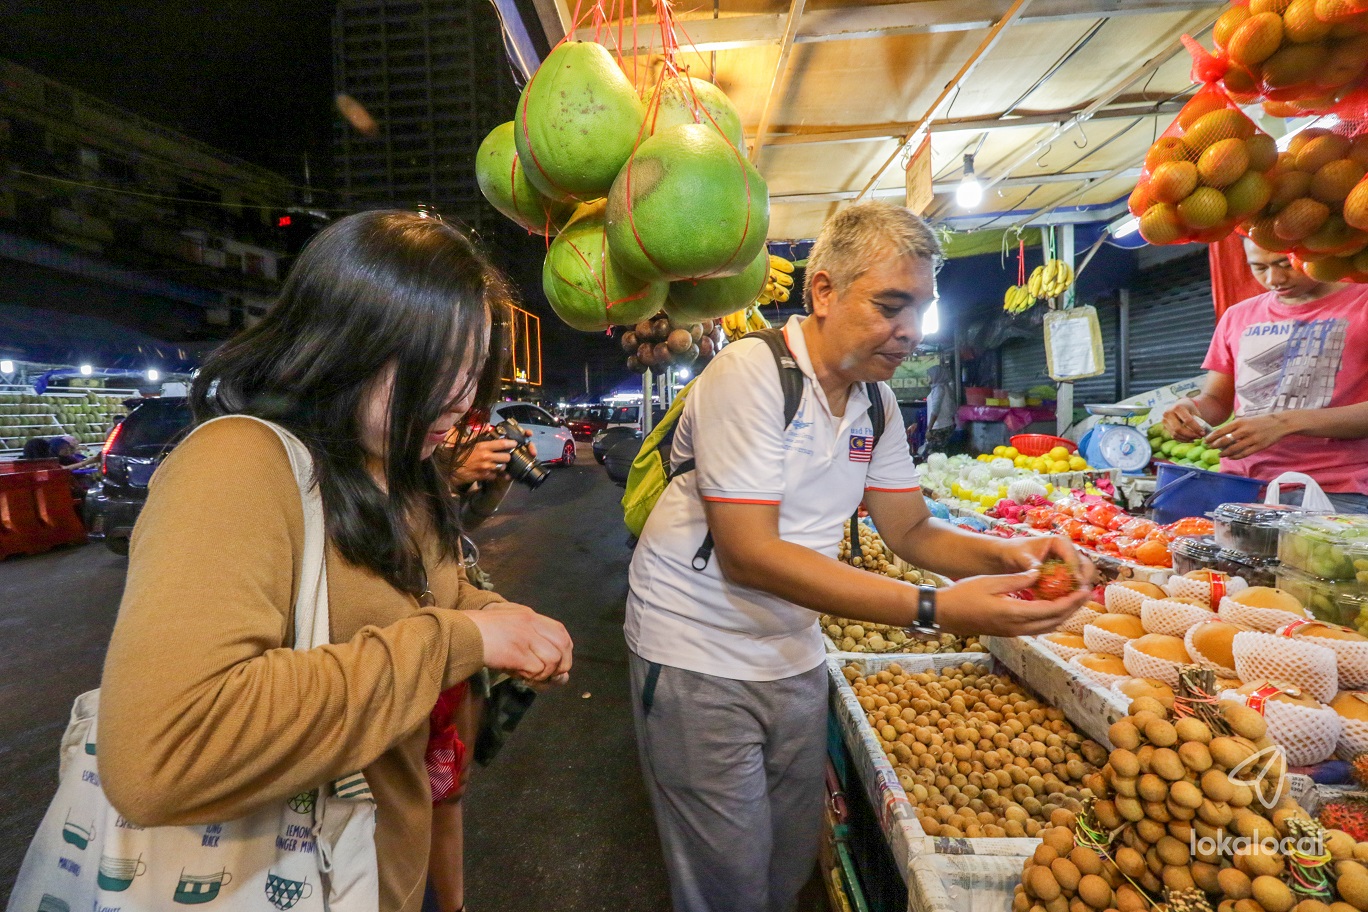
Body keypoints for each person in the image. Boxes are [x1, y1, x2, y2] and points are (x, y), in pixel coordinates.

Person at [96, 210, 574, 912]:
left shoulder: (393, 464)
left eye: (475, 371)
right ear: (345, 345)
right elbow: (160, 755)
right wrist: (460, 640)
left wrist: (492, 612)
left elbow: (412, 592)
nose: (464, 400)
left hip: (385, 874)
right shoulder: (236, 465)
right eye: (437, 368)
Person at [625, 201, 1094, 912]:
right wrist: (936, 607)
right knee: (726, 886)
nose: (910, 331)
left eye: (921, 310)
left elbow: (909, 530)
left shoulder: (874, 403)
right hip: (698, 657)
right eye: (890, 304)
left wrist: (1010, 555)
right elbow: (749, 554)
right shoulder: (750, 376)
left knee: (786, 868)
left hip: (794, 653)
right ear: (822, 291)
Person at [1164, 238, 1368, 513]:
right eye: (1259, 267)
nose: (1274, 278)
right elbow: (1215, 400)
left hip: (1337, 491)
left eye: (1286, 264)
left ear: (1317, 251)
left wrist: (1283, 422)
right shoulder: (1237, 316)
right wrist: (1190, 410)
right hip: (1241, 487)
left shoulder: (1362, 303)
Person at [425, 426, 534, 912]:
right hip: (416, 637)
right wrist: (440, 476)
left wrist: (488, 491)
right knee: (401, 796)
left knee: (449, 786)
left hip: (452, 626)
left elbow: (451, 537)